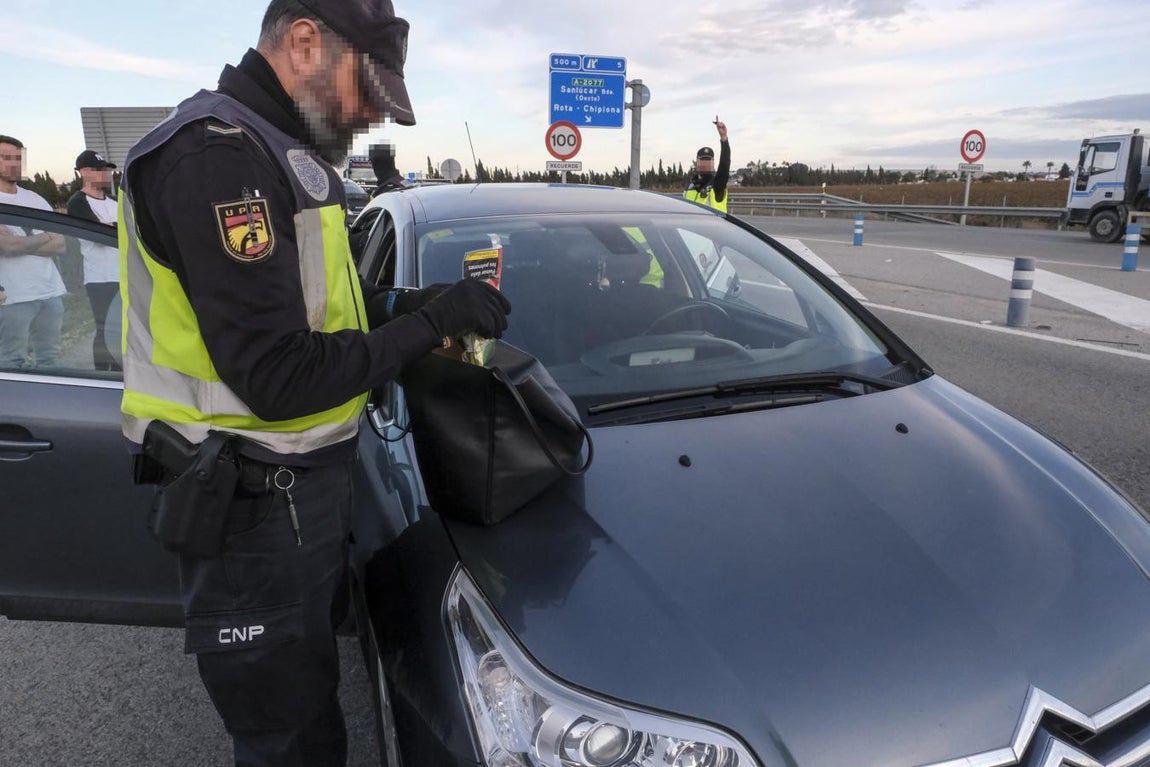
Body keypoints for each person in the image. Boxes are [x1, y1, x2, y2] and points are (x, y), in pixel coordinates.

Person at [117, 1, 510, 765]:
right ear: (304, 44)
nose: (368, 120)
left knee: (309, 711)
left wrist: (414, 305)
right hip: (252, 516)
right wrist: (426, 330)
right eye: (367, 93)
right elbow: (278, 374)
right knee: (292, 744)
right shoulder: (217, 158)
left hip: (295, 500)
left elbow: (327, 320)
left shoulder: (280, 154)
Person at [0, 134, 67, 369]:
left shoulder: (35, 198)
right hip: (12, 298)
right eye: (5, 157)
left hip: (49, 292)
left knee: (50, 359)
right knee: (10, 361)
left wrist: (21, 244)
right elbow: (6, 247)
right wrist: (46, 236)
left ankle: (49, 404)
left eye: (17, 158)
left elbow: (61, 245)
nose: (14, 163)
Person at [67, 150, 121, 371]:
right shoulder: (78, 202)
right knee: (104, 328)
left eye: (107, 170)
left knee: (120, 328)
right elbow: (98, 234)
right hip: (99, 277)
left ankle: (120, 371)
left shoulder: (115, 201)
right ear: (84, 172)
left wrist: (112, 226)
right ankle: (103, 374)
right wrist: (114, 227)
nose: (106, 174)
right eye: (100, 170)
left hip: (122, 275)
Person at [684, 117, 731, 213]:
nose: (706, 163)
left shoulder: (717, 183)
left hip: (716, 227)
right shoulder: (691, 184)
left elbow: (725, 164)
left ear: (713, 162)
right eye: (703, 160)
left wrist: (724, 139)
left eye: (709, 160)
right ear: (697, 162)